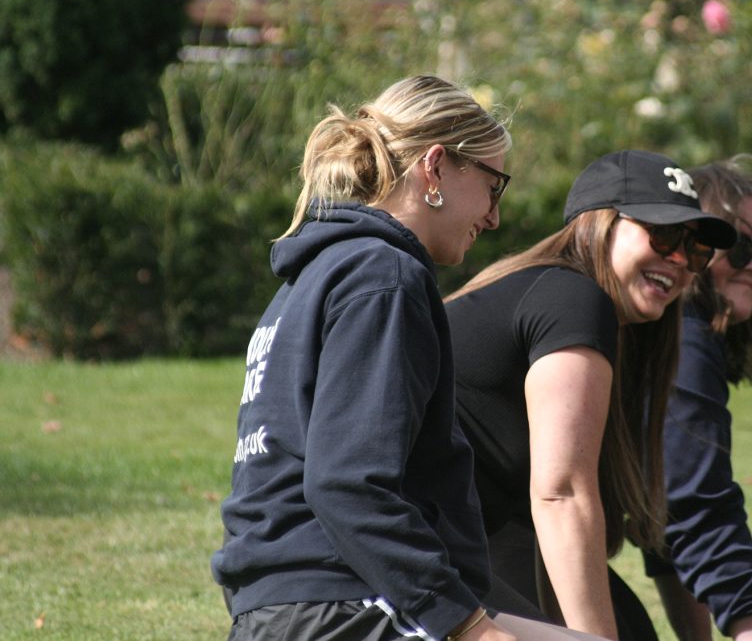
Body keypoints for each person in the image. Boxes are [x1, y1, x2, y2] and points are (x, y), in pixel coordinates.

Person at [211, 75, 602, 641]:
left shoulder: (311, 279)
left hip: (292, 605)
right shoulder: (383, 276)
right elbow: (348, 485)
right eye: (495, 186)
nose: (494, 217)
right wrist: (468, 627)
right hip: (343, 604)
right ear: (436, 167)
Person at [445, 150, 738, 640]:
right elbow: (561, 495)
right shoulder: (572, 298)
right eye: (664, 235)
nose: (682, 262)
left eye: (697, 250)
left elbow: (661, 523)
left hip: (467, 540)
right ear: (598, 224)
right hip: (394, 560)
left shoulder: (571, 305)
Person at [640, 155, 752, 641]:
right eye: (741, 248)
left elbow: (663, 507)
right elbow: (698, 507)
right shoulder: (684, 338)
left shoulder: (673, 333)